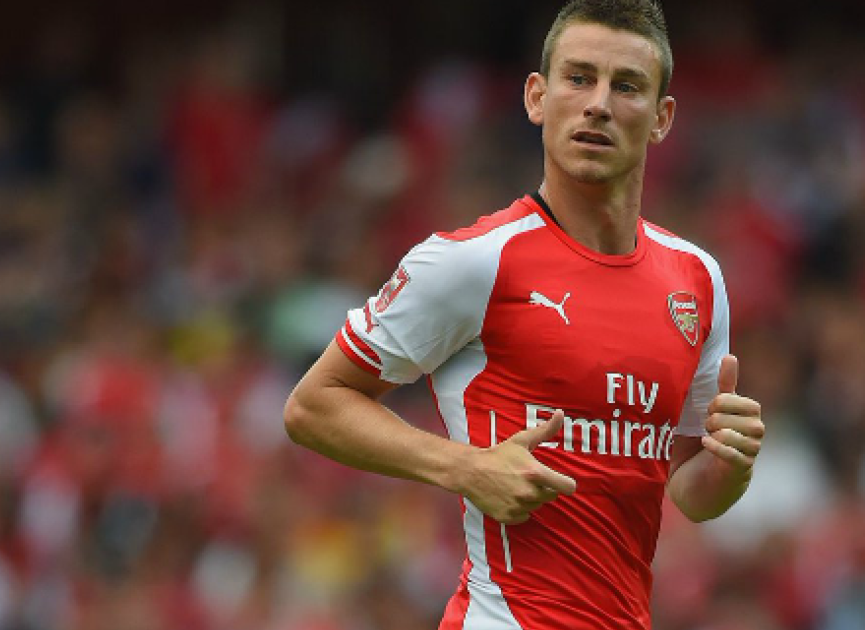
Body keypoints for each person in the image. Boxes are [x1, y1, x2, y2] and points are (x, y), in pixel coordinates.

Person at [283, 1, 765, 628]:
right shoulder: (473, 262)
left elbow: (690, 493)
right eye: (579, 78)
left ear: (661, 118)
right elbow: (313, 406)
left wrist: (730, 468)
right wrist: (466, 468)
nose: (598, 104)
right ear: (537, 97)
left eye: (626, 86)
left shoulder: (696, 280)